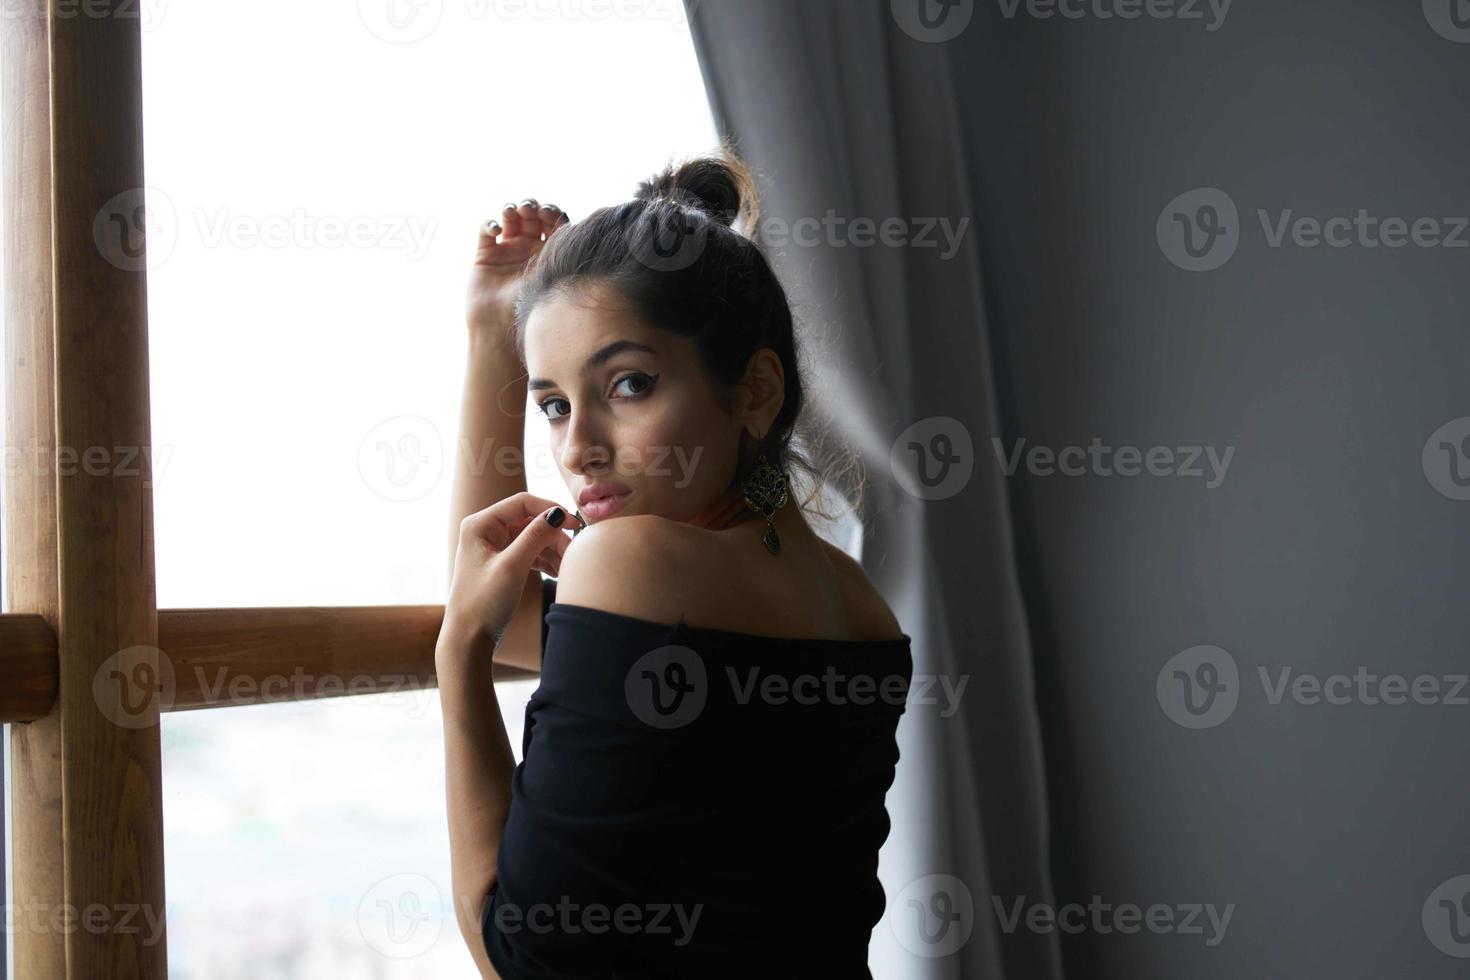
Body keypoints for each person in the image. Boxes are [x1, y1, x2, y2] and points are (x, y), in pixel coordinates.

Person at [436, 143, 913, 979]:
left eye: (627, 386)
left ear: (756, 391)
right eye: (551, 403)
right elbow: (514, 614)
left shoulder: (632, 561)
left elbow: (521, 959)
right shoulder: (854, 600)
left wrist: (455, 662)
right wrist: (492, 335)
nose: (578, 448)